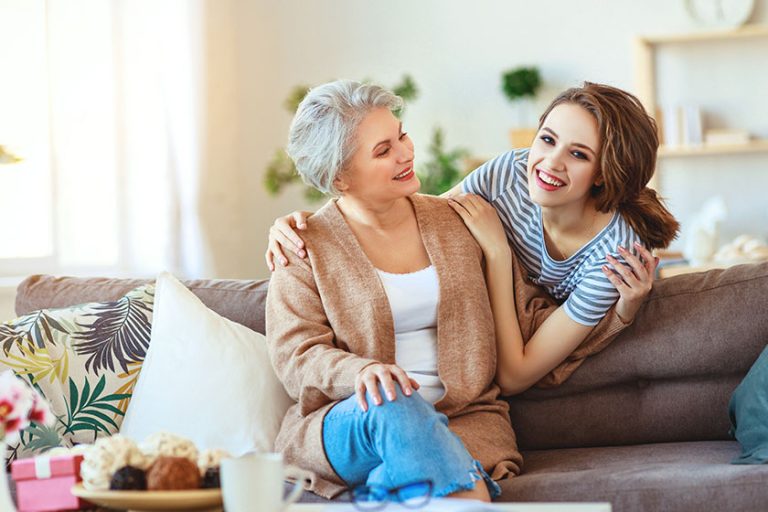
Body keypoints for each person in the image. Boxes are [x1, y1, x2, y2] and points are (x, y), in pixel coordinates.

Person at [265, 81, 671, 395]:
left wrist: (497, 253)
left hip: (524, 345)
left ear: (603, 172)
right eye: (547, 140)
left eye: (578, 154)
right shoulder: (509, 174)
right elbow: (421, 217)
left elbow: (514, 376)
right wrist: (316, 224)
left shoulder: (612, 257)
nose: (550, 163)